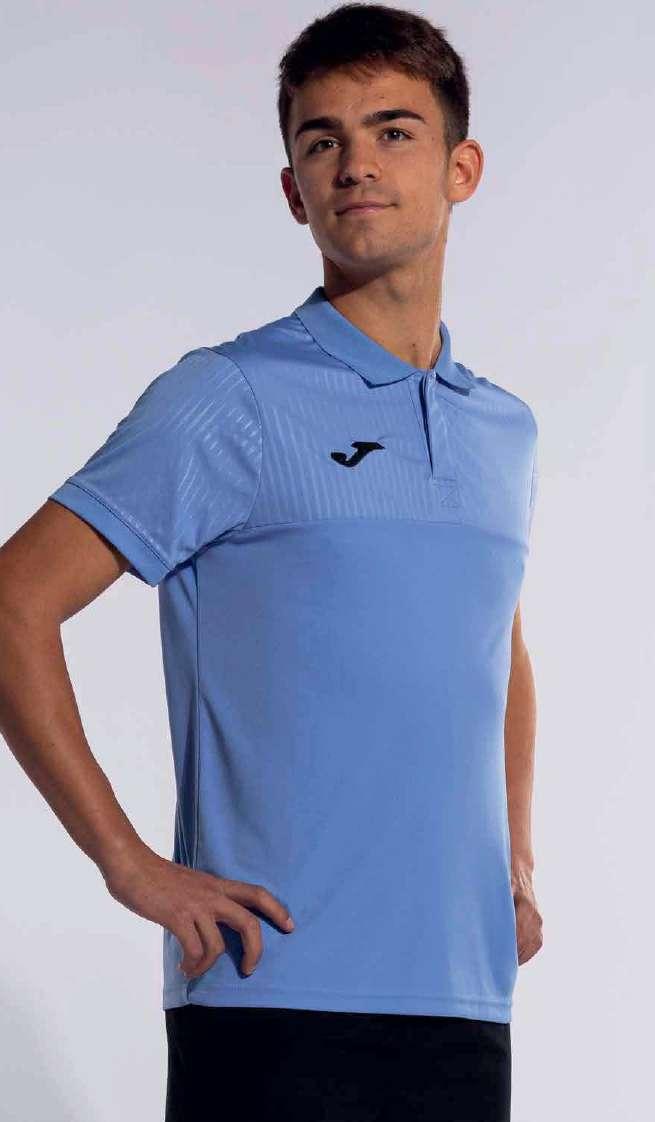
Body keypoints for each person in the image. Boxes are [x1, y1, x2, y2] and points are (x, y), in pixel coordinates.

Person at [0, 3, 544, 1119]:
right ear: (294, 190)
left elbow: (496, 647)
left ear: (462, 168)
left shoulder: (504, 428)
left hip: (462, 995)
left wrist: (518, 858)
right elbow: (15, 602)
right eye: (321, 139)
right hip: (271, 990)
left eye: (393, 131)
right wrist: (127, 863)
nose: (356, 164)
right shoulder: (229, 397)